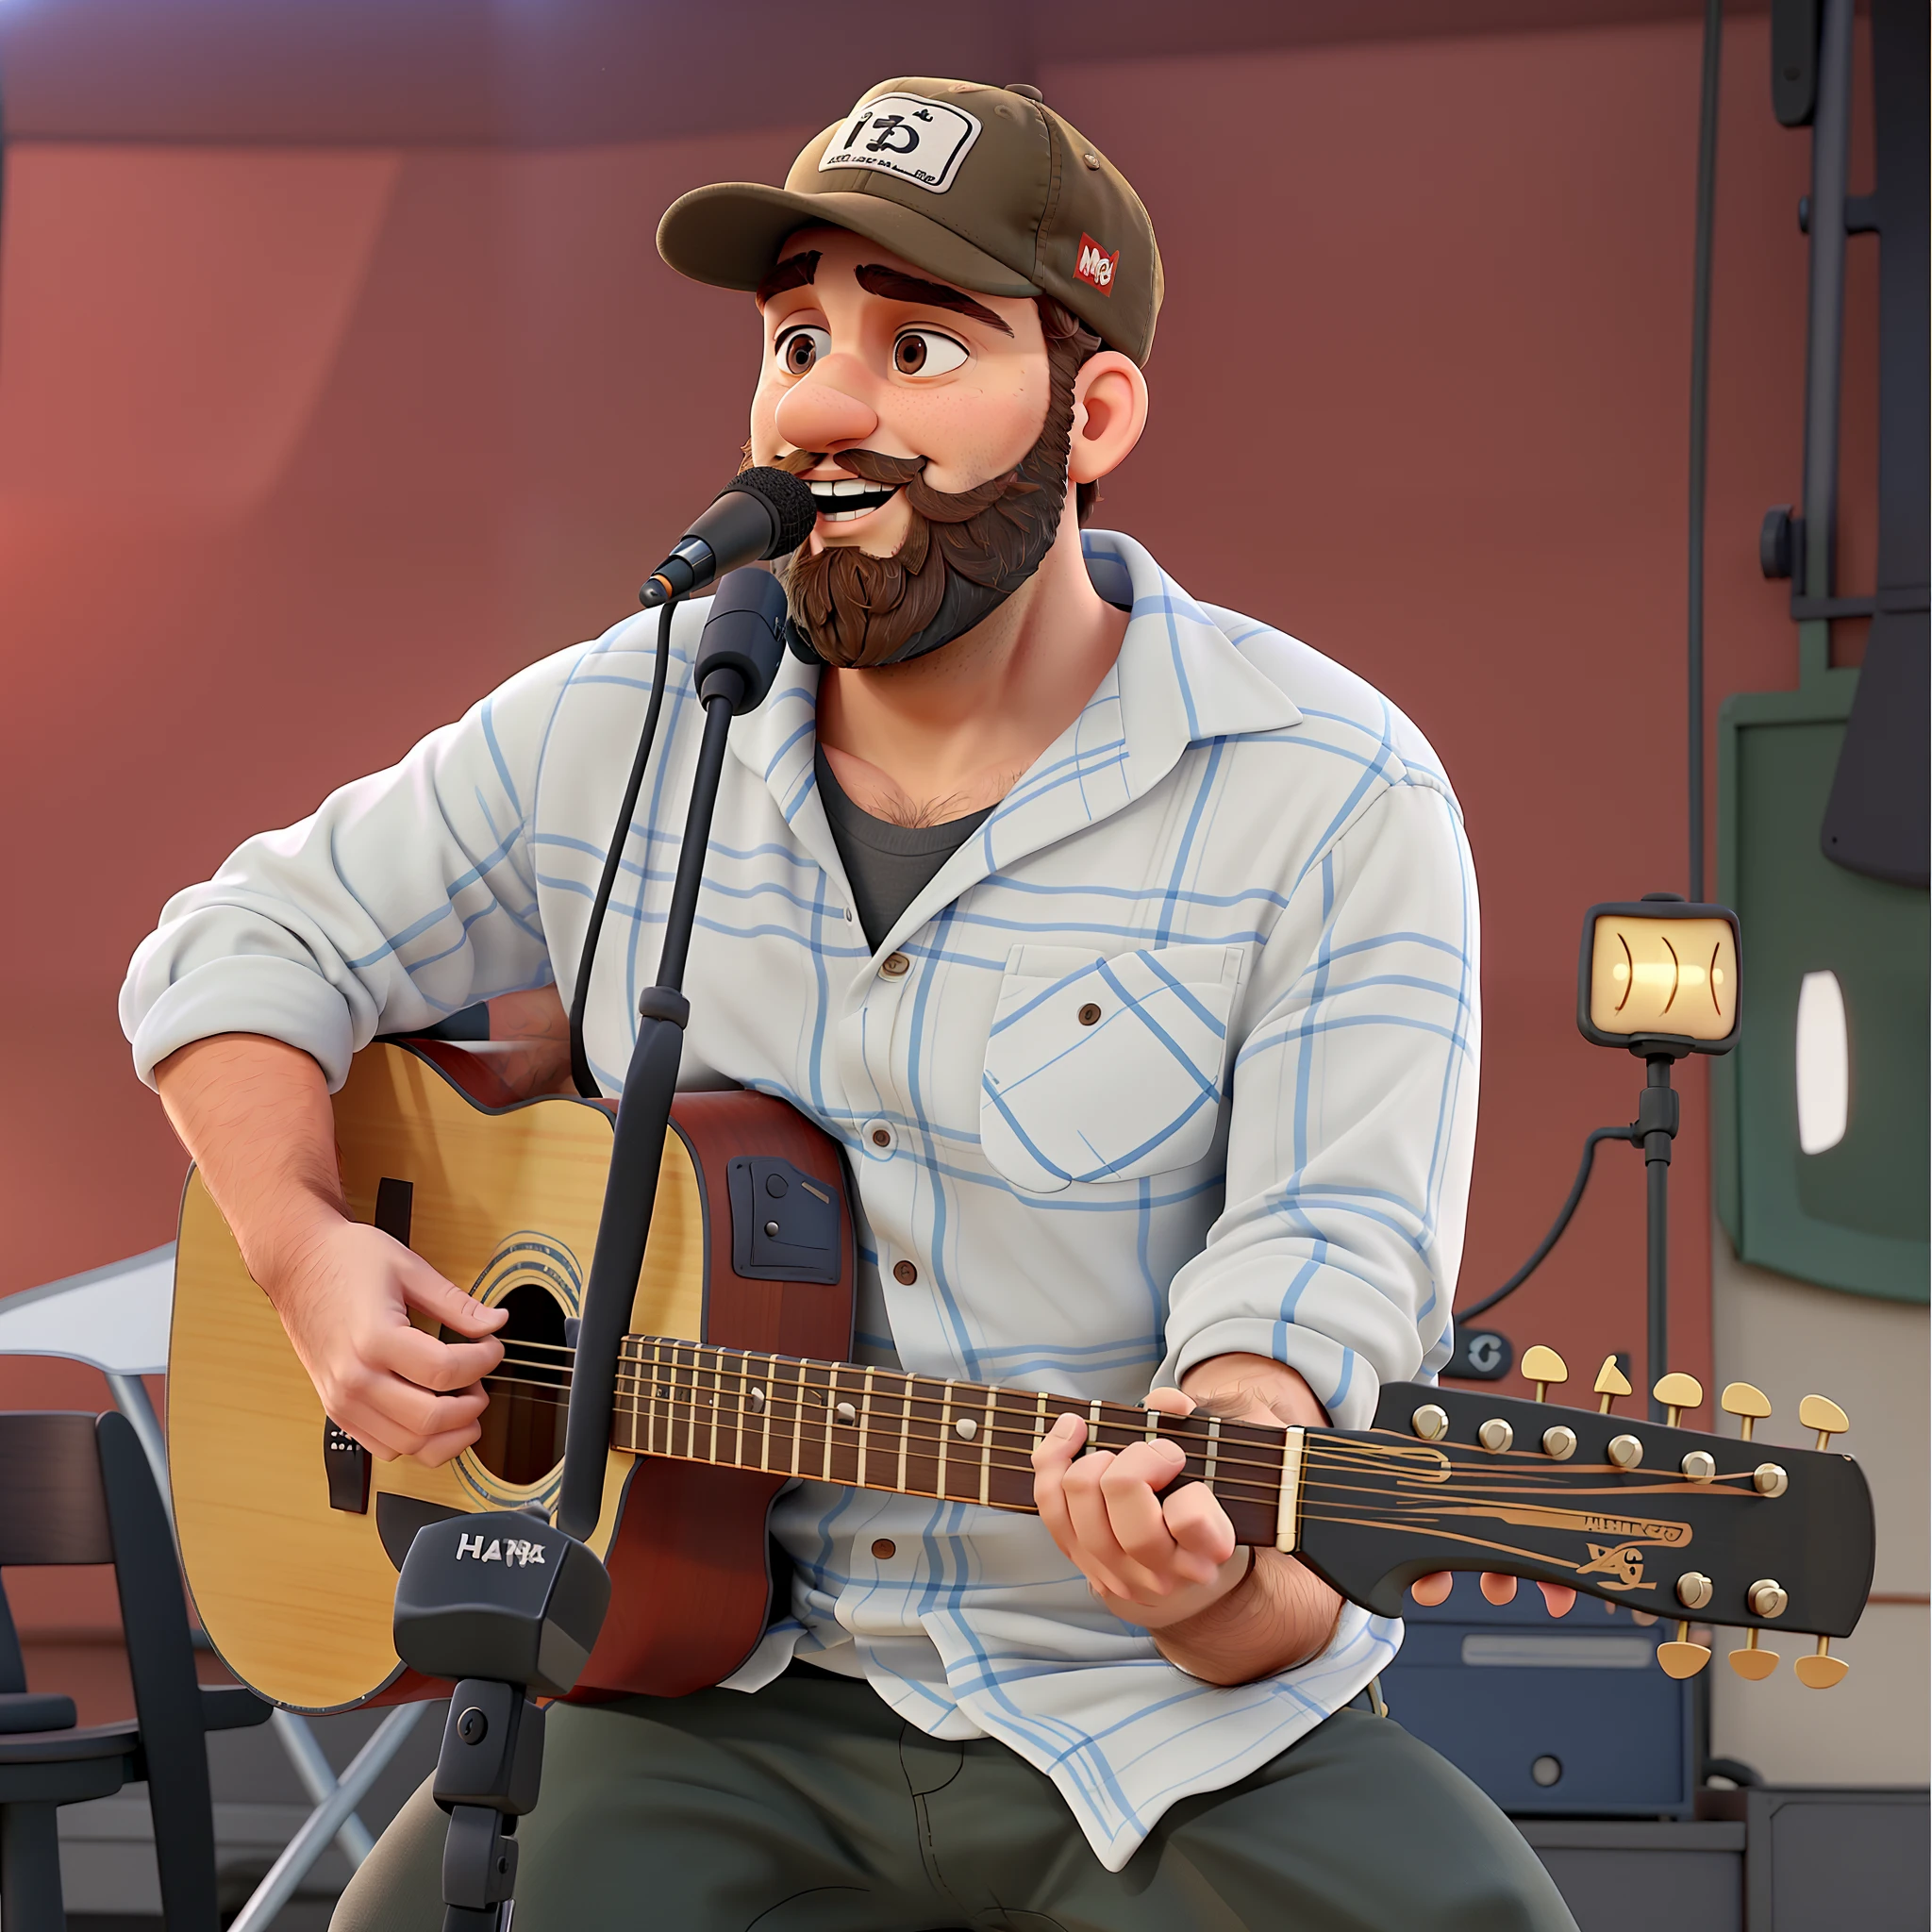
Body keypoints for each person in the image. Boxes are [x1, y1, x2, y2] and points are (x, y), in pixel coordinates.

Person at [125, 76, 1577, 1932]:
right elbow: (239, 947)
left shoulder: (1333, 792)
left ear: (1092, 410)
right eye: (797, 335)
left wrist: (1204, 1546)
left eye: (918, 344)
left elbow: (1320, 1262)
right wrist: (305, 1246)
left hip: (1148, 1717)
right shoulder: (639, 711)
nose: (821, 403)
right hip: (708, 1686)